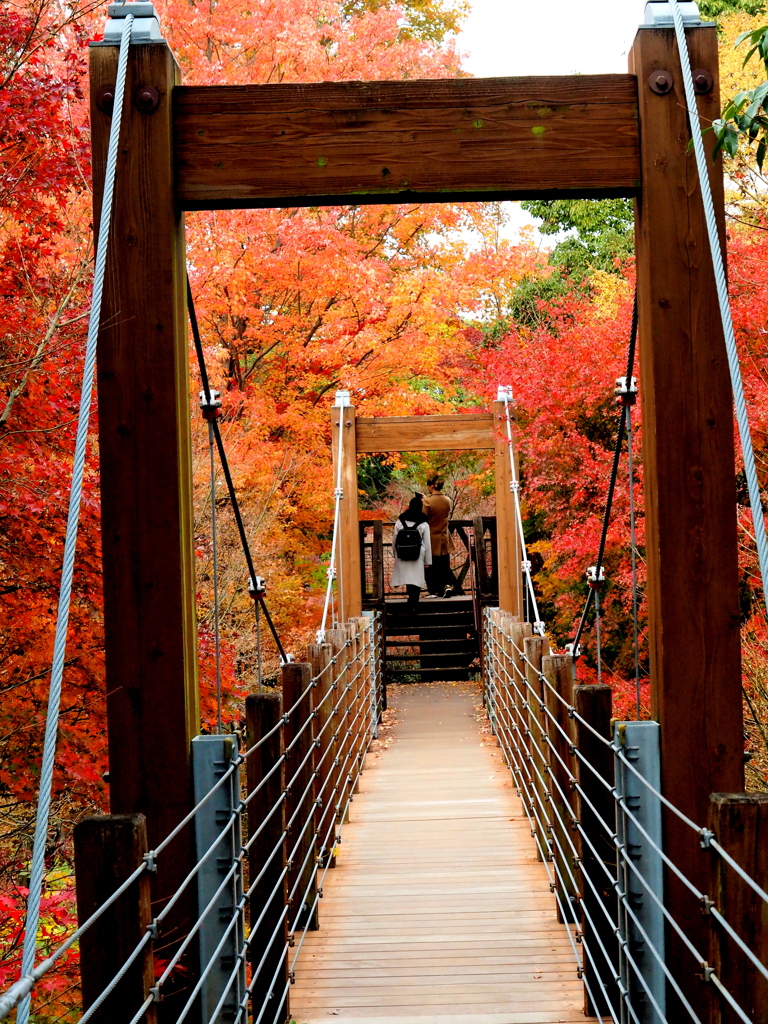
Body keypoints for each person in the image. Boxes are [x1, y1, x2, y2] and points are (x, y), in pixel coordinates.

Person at [422, 475, 460, 598]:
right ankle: (447, 586)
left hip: (431, 538)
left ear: (431, 486)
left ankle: (433, 590)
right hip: (444, 537)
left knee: (430, 566)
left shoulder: (427, 502)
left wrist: (423, 500)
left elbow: (423, 519)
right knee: (444, 565)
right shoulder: (447, 500)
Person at [391, 494, 432, 607]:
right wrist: (427, 561)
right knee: (416, 578)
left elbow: (394, 538)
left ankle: (410, 600)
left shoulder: (401, 520)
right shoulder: (423, 521)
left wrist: (395, 552)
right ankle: (414, 601)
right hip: (417, 554)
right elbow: (427, 542)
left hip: (402, 553)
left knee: (408, 577)